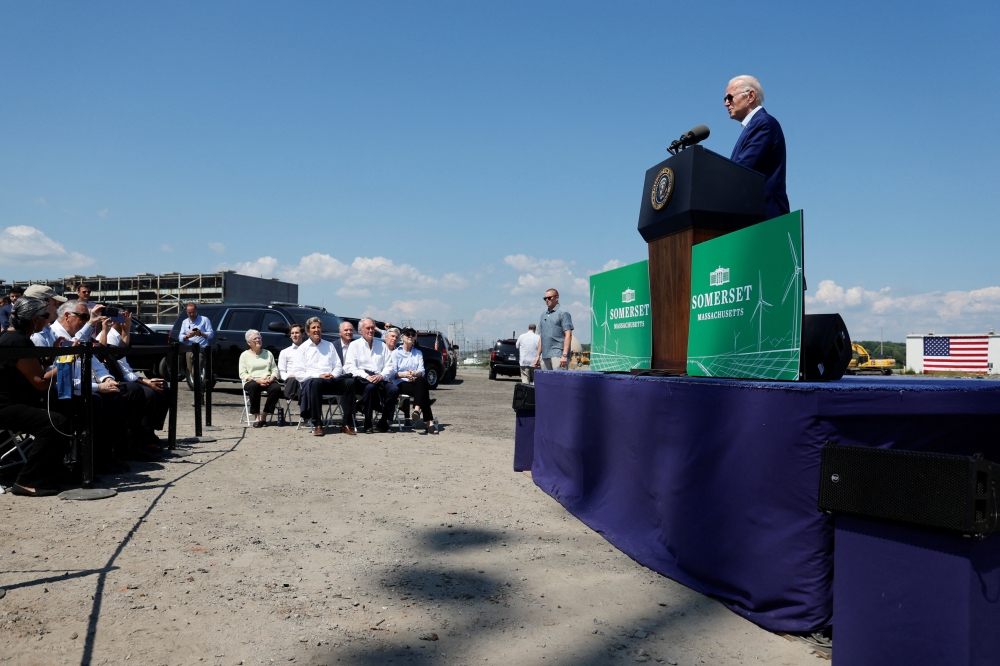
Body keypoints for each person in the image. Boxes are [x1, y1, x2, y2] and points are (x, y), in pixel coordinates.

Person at [0, 298, 72, 496]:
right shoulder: (16, 342)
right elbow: (40, 382)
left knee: (68, 409)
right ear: (34, 319)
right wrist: (65, 362)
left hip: (15, 402)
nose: (48, 320)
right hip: (6, 406)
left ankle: (54, 471)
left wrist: (51, 357)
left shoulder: (14, 338)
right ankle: (27, 481)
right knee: (54, 422)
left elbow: (30, 371)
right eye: (45, 316)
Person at [725, 75, 789, 220]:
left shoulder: (763, 123)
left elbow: (741, 169)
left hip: (767, 216)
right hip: (754, 215)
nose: (726, 103)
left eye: (730, 97)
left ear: (750, 96)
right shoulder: (752, 126)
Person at [297, 317, 357, 437]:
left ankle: (346, 423)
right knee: (315, 383)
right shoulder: (302, 349)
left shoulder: (329, 346)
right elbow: (298, 373)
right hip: (316, 382)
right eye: (313, 327)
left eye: (318, 327)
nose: (316, 330)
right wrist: (318, 375)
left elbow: (338, 366)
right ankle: (318, 423)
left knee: (350, 382)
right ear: (308, 331)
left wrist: (333, 374)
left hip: (331, 380)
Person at [344, 318, 399, 434]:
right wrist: (365, 376)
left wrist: (381, 375)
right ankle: (368, 422)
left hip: (379, 378)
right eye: (368, 328)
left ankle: (383, 421)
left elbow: (389, 366)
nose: (371, 330)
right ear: (360, 331)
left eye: (372, 328)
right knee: (370, 387)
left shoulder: (382, 345)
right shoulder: (354, 345)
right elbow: (349, 367)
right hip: (362, 380)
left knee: (394, 389)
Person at [387, 327, 438, 434]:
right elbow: (392, 374)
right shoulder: (396, 353)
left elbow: (422, 371)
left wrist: (414, 374)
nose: (410, 336)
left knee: (421, 380)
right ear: (402, 337)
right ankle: (429, 422)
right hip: (401, 383)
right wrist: (405, 374)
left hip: (415, 382)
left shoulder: (418, 353)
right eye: (407, 334)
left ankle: (416, 410)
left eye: (413, 334)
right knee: (424, 390)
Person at [238, 329, 282, 428]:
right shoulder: (244, 355)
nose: (258, 340)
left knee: (276, 388)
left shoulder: (268, 353)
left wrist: (271, 379)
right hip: (252, 381)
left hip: (267, 380)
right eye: (255, 339)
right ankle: (256, 417)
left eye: (259, 338)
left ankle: (264, 416)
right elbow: (242, 374)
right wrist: (256, 380)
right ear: (249, 343)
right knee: (254, 387)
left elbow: (274, 369)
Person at [535, 289, 574, 370]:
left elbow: (568, 335)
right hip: (545, 355)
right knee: (546, 381)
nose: (547, 300)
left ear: (557, 298)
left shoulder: (563, 313)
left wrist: (564, 355)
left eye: (549, 298)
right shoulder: (543, 315)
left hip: (558, 354)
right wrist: (537, 355)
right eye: (545, 298)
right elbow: (542, 337)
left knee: (559, 381)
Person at [179, 302, 214, 385]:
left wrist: (200, 333)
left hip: (201, 348)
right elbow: (180, 336)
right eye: (189, 312)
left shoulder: (204, 320)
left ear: (196, 310)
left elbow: (211, 333)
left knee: (198, 367)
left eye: (193, 312)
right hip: (189, 348)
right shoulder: (185, 322)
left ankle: (200, 384)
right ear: (186, 312)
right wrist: (186, 336)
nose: (191, 314)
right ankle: (197, 383)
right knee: (190, 369)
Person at [278, 324, 306, 400]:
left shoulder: (308, 350)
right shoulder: (285, 352)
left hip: (305, 378)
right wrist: (289, 375)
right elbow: (282, 372)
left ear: (302, 334)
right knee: (296, 380)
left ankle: (306, 410)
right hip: (291, 379)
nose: (294, 335)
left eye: (297, 333)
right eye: (292, 333)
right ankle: (305, 410)